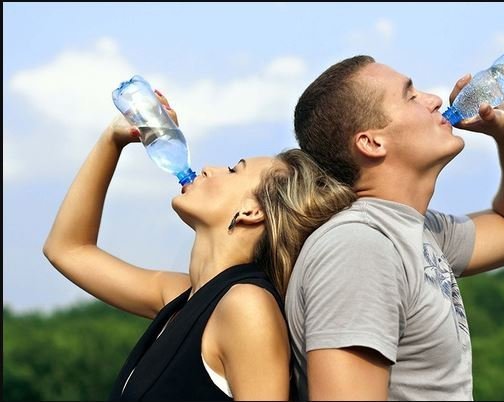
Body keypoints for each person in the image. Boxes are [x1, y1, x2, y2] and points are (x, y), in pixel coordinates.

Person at [42, 91, 356, 401]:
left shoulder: (247, 307)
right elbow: (67, 249)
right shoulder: (182, 297)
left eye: (233, 170)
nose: (208, 168)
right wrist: (113, 139)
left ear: (251, 211)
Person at [286, 55, 504, 400]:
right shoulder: (359, 248)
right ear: (371, 143)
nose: (435, 100)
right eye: (411, 96)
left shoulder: (417, 231)